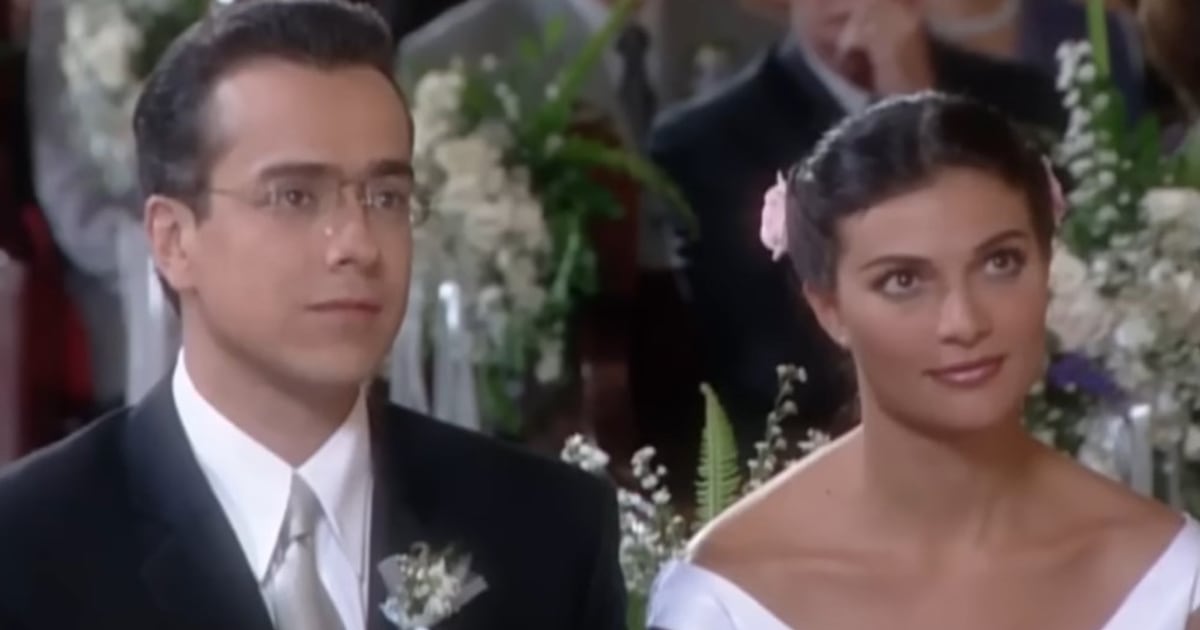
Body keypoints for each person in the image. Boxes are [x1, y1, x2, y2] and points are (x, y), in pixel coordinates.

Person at [0, 2, 625, 629]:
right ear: (173, 240)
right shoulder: (27, 548)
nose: (357, 243)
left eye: (386, 197)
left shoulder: (549, 529)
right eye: (294, 196)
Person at [647, 92, 1200, 629]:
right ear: (829, 309)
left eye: (1000, 262)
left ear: (1047, 264)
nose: (964, 322)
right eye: (903, 281)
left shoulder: (1169, 575)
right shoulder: (729, 595)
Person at [648, 0, 1066, 456]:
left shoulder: (1023, 99)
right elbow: (764, 360)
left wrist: (921, 109)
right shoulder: (705, 142)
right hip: (815, 450)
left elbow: (1073, 295)